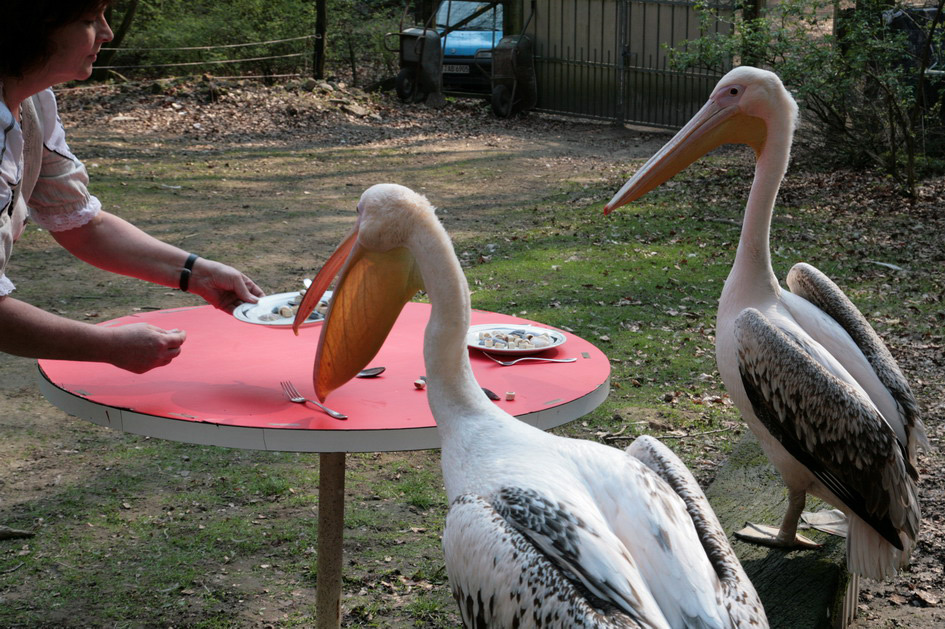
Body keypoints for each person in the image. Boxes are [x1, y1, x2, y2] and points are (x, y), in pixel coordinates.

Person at [1, 0, 264, 375]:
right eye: (91, 19)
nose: (107, 33)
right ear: (33, 27)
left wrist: (198, 273)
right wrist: (107, 345)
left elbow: (82, 225)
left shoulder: (34, 103)